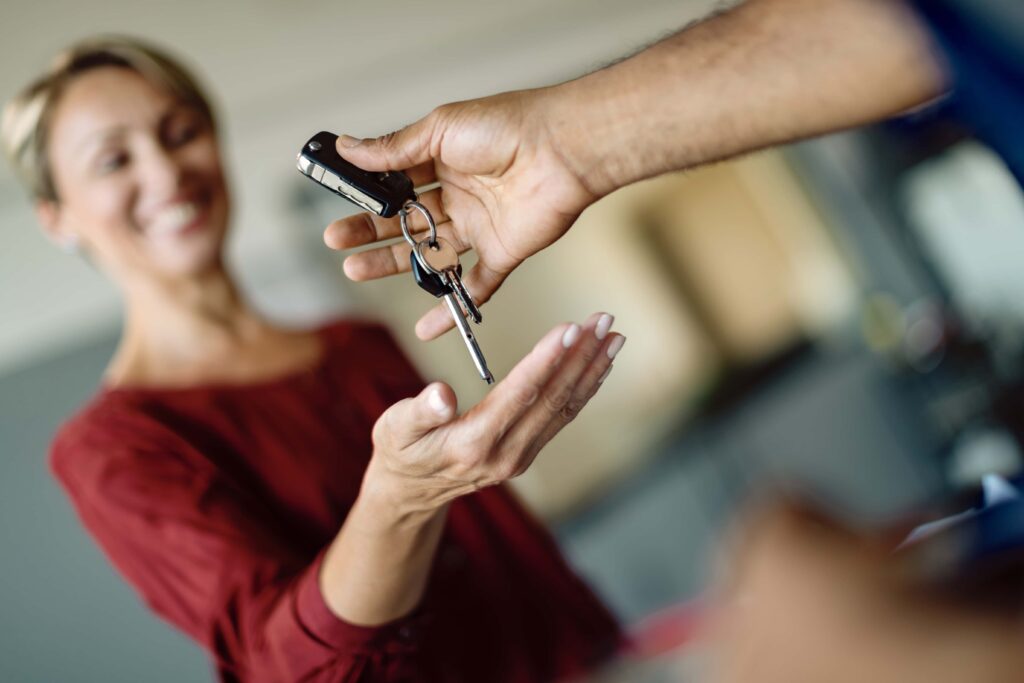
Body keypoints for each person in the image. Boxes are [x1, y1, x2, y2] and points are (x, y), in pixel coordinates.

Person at [1, 37, 629, 682]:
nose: (165, 174)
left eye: (181, 131)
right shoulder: (113, 450)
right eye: (112, 160)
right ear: (56, 219)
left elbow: (506, 553)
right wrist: (400, 499)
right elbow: (282, 667)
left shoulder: (356, 344)